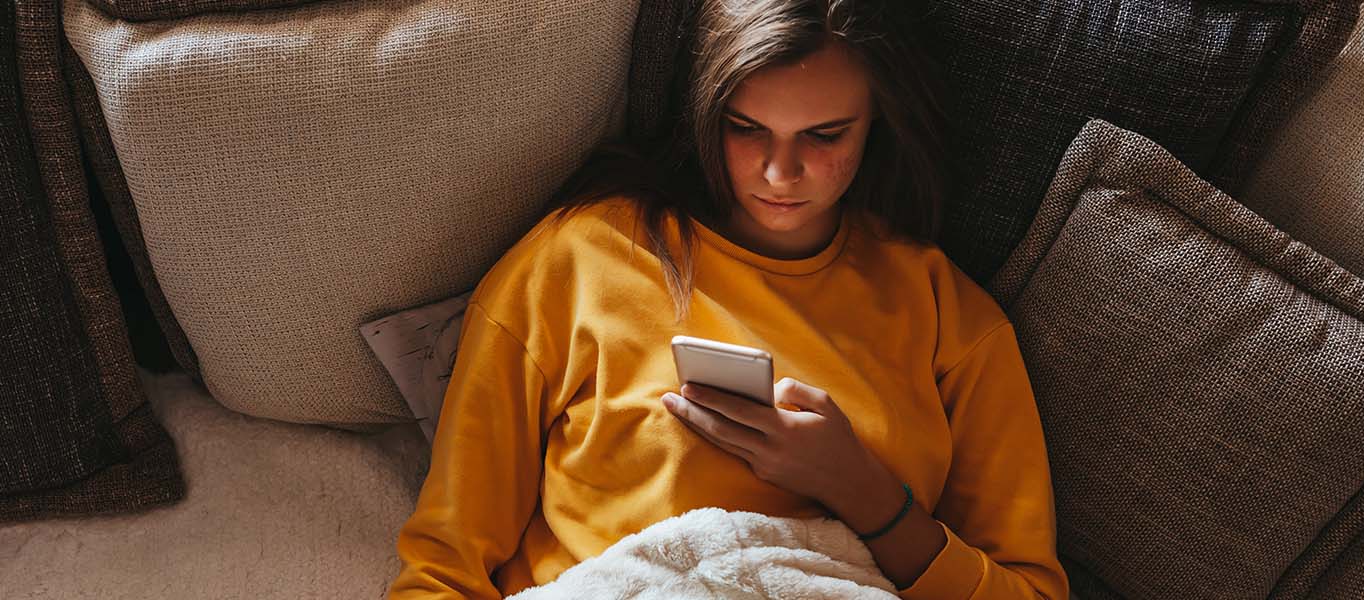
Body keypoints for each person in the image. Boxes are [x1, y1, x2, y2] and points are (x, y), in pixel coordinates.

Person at [388, 0, 1067, 598]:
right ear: (708, 109)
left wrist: (865, 492)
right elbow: (445, 568)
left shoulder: (949, 316)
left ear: (877, 122)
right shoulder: (578, 260)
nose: (779, 173)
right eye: (746, 128)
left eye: (824, 135)